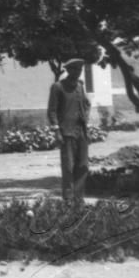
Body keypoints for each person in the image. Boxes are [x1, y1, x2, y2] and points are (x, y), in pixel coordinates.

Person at [47, 58, 91, 203]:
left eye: (80, 70)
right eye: (75, 70)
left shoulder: (80, 86)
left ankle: (79, 198)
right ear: (68, 70)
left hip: (81, 132)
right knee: (68, 167)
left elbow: (85, 104)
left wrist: (86, 118)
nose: (78, 73)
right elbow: (52, 111)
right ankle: (68, 199)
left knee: (83, 166)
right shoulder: (58, 87)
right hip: (66, 132)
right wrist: (57, 131)